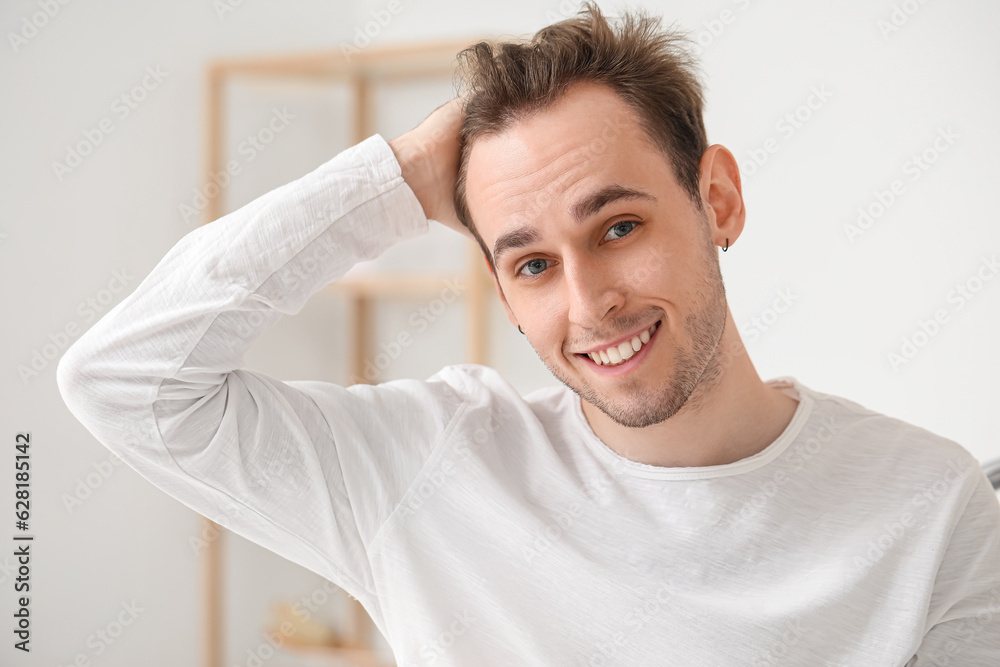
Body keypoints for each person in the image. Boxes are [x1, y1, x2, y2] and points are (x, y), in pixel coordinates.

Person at [57, 3, 1000, 665]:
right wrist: (395, 177)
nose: (590, 305)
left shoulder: (933, 508)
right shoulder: (427, 466)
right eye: (533, 263)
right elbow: (123, 381)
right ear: (502, 288)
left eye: (618, 228)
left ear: (717, 198)